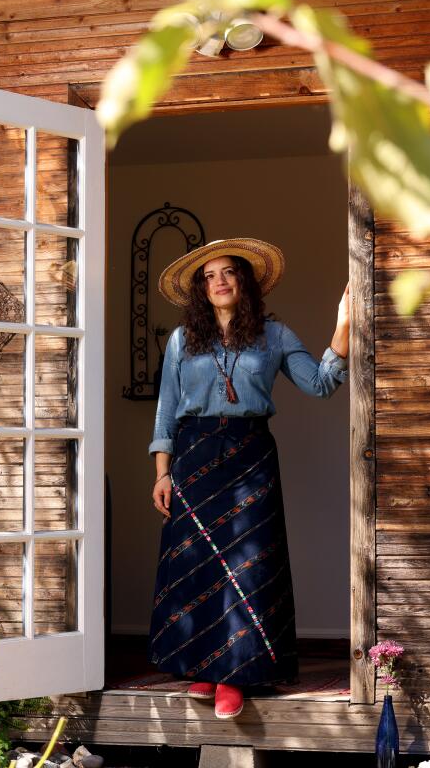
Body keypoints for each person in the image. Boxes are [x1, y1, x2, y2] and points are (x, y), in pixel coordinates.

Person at [147, 237, 351, 720]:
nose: (219, 281)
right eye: (209, 275)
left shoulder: (275, 335)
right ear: (200, 288)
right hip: (194, 457)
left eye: (228, 272)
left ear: (244, 281)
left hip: (250, 456)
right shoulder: (181, 340)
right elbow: (166, 413)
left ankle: (235, 676)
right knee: (197, 565)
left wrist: (343, 326)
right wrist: (162, 473)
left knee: (249, 564)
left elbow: (320, 385)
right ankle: (203, 664)